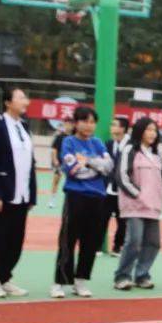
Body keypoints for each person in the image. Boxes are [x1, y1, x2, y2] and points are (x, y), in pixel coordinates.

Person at [52, 104, 112, 298]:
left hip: (97, 198)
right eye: (84, 121)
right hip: (75, 197)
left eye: (92, 122)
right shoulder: (68, 142)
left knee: (91, 241)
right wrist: (95, 167)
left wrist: (87, 161)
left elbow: (109, 166)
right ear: (76, 123)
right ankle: (60, 281)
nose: (89, 126)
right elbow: (72, 170)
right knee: (68, 240)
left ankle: (81, 281)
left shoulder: (98, 143)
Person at [114, 117, 162, 290]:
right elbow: (122, 176)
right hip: (134, 206)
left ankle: (141, 275)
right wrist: (138, 194)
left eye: (155, 130)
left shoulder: (155, 156)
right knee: (134, 240)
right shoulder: (130, 151)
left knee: (154, 243)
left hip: (153, 207)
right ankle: (122, 276)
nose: (152, 133)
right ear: (140, 131)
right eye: (149, 129)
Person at [0, 85, 36, 299]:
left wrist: (32, 194)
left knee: (15, 239)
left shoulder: (24, 126)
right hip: (4, 193)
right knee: (0, 237)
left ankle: (5, 278)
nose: (25, 101)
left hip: (22, 194)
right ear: (8, 102)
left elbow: (31, 162)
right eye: (21, 97)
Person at [103, 114, 131, 254]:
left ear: (123, 128)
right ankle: (97, 247)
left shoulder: (131, 145)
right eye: (111, 125)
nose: (111, 127)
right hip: (108, 188)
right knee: (102, 217)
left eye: (114, 124)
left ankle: (117, 246)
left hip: (124, 189)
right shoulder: (108, 144)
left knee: (123, 221)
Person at [49, 114, 73, 209]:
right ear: (64, 124)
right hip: (59, 163)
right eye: (66, 123)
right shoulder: (59, 137)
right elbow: (54, 150)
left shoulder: (74, 137)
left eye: (70, 124)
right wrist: (55, 160)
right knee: (56, 181)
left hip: (70, 165)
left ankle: (69, 201)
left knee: (71, 183)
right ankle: (52, 200)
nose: (68, 126)